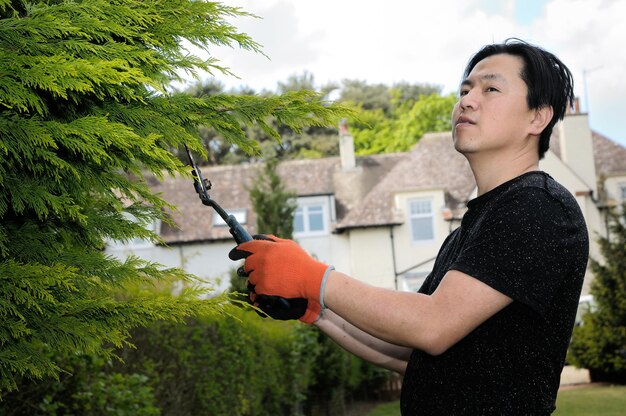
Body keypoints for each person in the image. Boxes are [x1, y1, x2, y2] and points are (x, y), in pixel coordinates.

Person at [230, 39, 589, 415]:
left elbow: (431, 326)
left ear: (538, 117)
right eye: (464, 90)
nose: (466, 100)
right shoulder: (473, 227)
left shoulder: (537, 206)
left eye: (490, 89)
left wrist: (311, 276)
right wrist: (315, 308)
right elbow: (407, 350)